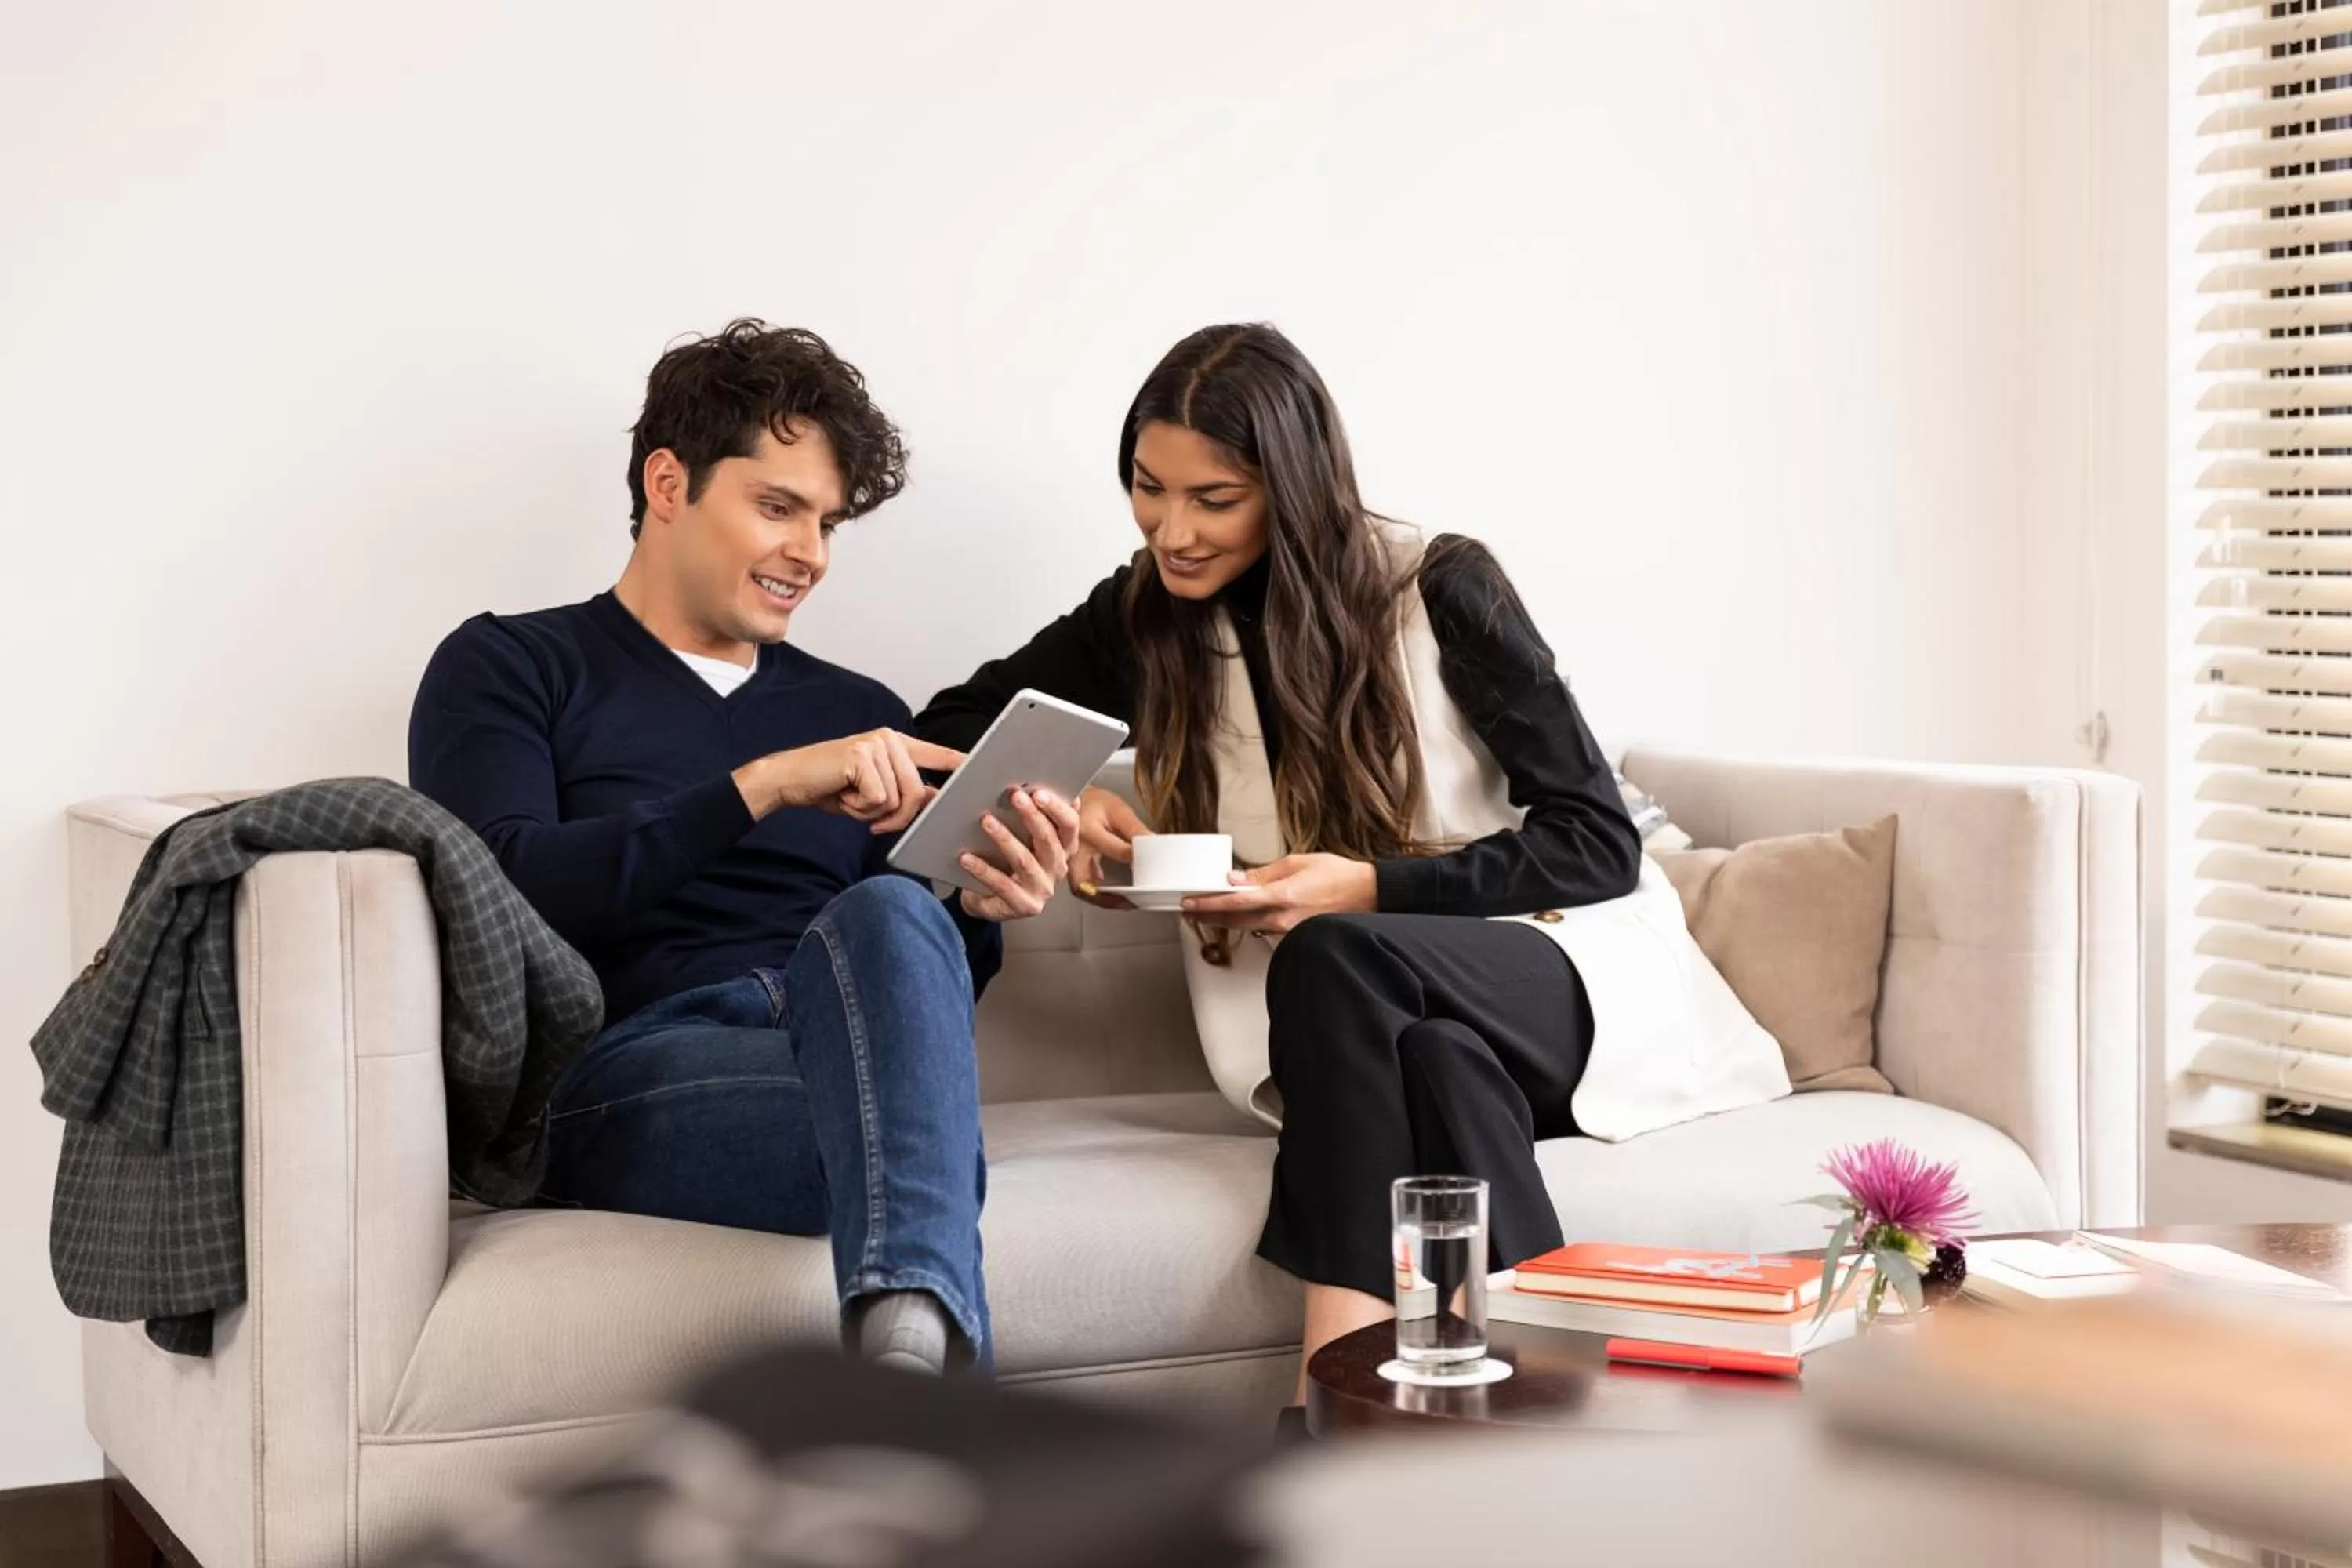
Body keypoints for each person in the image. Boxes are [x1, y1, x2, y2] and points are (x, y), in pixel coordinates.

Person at [913, 323, 1650, 1402]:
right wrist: (1063, 802)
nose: (1173, 530)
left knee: (1336, 951)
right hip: (1386, 1032)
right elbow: (945, 741)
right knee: (1437, 1061)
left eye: (1214, 499)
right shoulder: (1148, 615)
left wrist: (1373, 886)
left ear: (1293, 489)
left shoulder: (1440, 585)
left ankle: (1322, 1406)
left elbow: (1598, 840)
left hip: (1558, 977)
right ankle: (1507, 1407)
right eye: (1147, 488)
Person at [411, 319, 1080, 1374]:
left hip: (834, 1051)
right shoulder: (512, 666)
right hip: (623, 1071)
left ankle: (906, 1372)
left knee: (896, 924)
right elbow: (506, 900)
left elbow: (912, 995)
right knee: (915, 1136)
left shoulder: (863, 710)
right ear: (669, 483)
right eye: (777, 507)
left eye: (826, 522)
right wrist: (763, 786)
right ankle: (948, 1422)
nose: (809, 554)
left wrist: (978, 910)